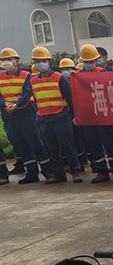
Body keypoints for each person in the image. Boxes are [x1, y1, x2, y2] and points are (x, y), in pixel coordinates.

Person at [0, 47, 54, 184]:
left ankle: (49, 172)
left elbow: (28, 92)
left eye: (9, 59)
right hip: (9, 116)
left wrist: (16, 104)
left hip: (25, 114)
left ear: (17, 60)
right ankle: (31, 173)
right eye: (3, 60)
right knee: (20, 145)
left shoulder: (27, 76)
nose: (6, 62)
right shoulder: (0, 77)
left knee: (36, 143)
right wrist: (4, 103)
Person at [30, 46, 82, 183]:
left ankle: (75, 171)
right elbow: (36, 99)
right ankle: (58, 174)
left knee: (68, 147)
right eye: (37, 61)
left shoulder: (59, 78)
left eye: (43, 61)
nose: (40, 64)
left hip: (61, 118)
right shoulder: (33, 81)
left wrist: (74, 116)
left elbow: (70, 98)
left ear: (49, 61)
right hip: (44, 119)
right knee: (52, 149)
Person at [78, 44, 113, 183]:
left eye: (91, 61)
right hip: (89, 117)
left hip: (104, 115)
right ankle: (102, 171)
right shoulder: (78, 76)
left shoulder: (103, 73)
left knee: (109, 143)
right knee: (93, 145)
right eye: (86, 61)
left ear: (96, 60)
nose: (88, 63)